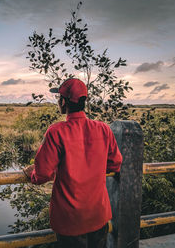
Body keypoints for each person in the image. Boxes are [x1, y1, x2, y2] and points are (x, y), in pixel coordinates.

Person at [23, 78, 123, 248]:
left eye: (58, 98)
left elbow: (42, 175)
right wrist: (92, 167)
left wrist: (30, 173)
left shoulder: (56, 132)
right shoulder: (103, 129)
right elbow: (115, 164)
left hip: (70, 220)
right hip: (98, 214)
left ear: (63, 102)